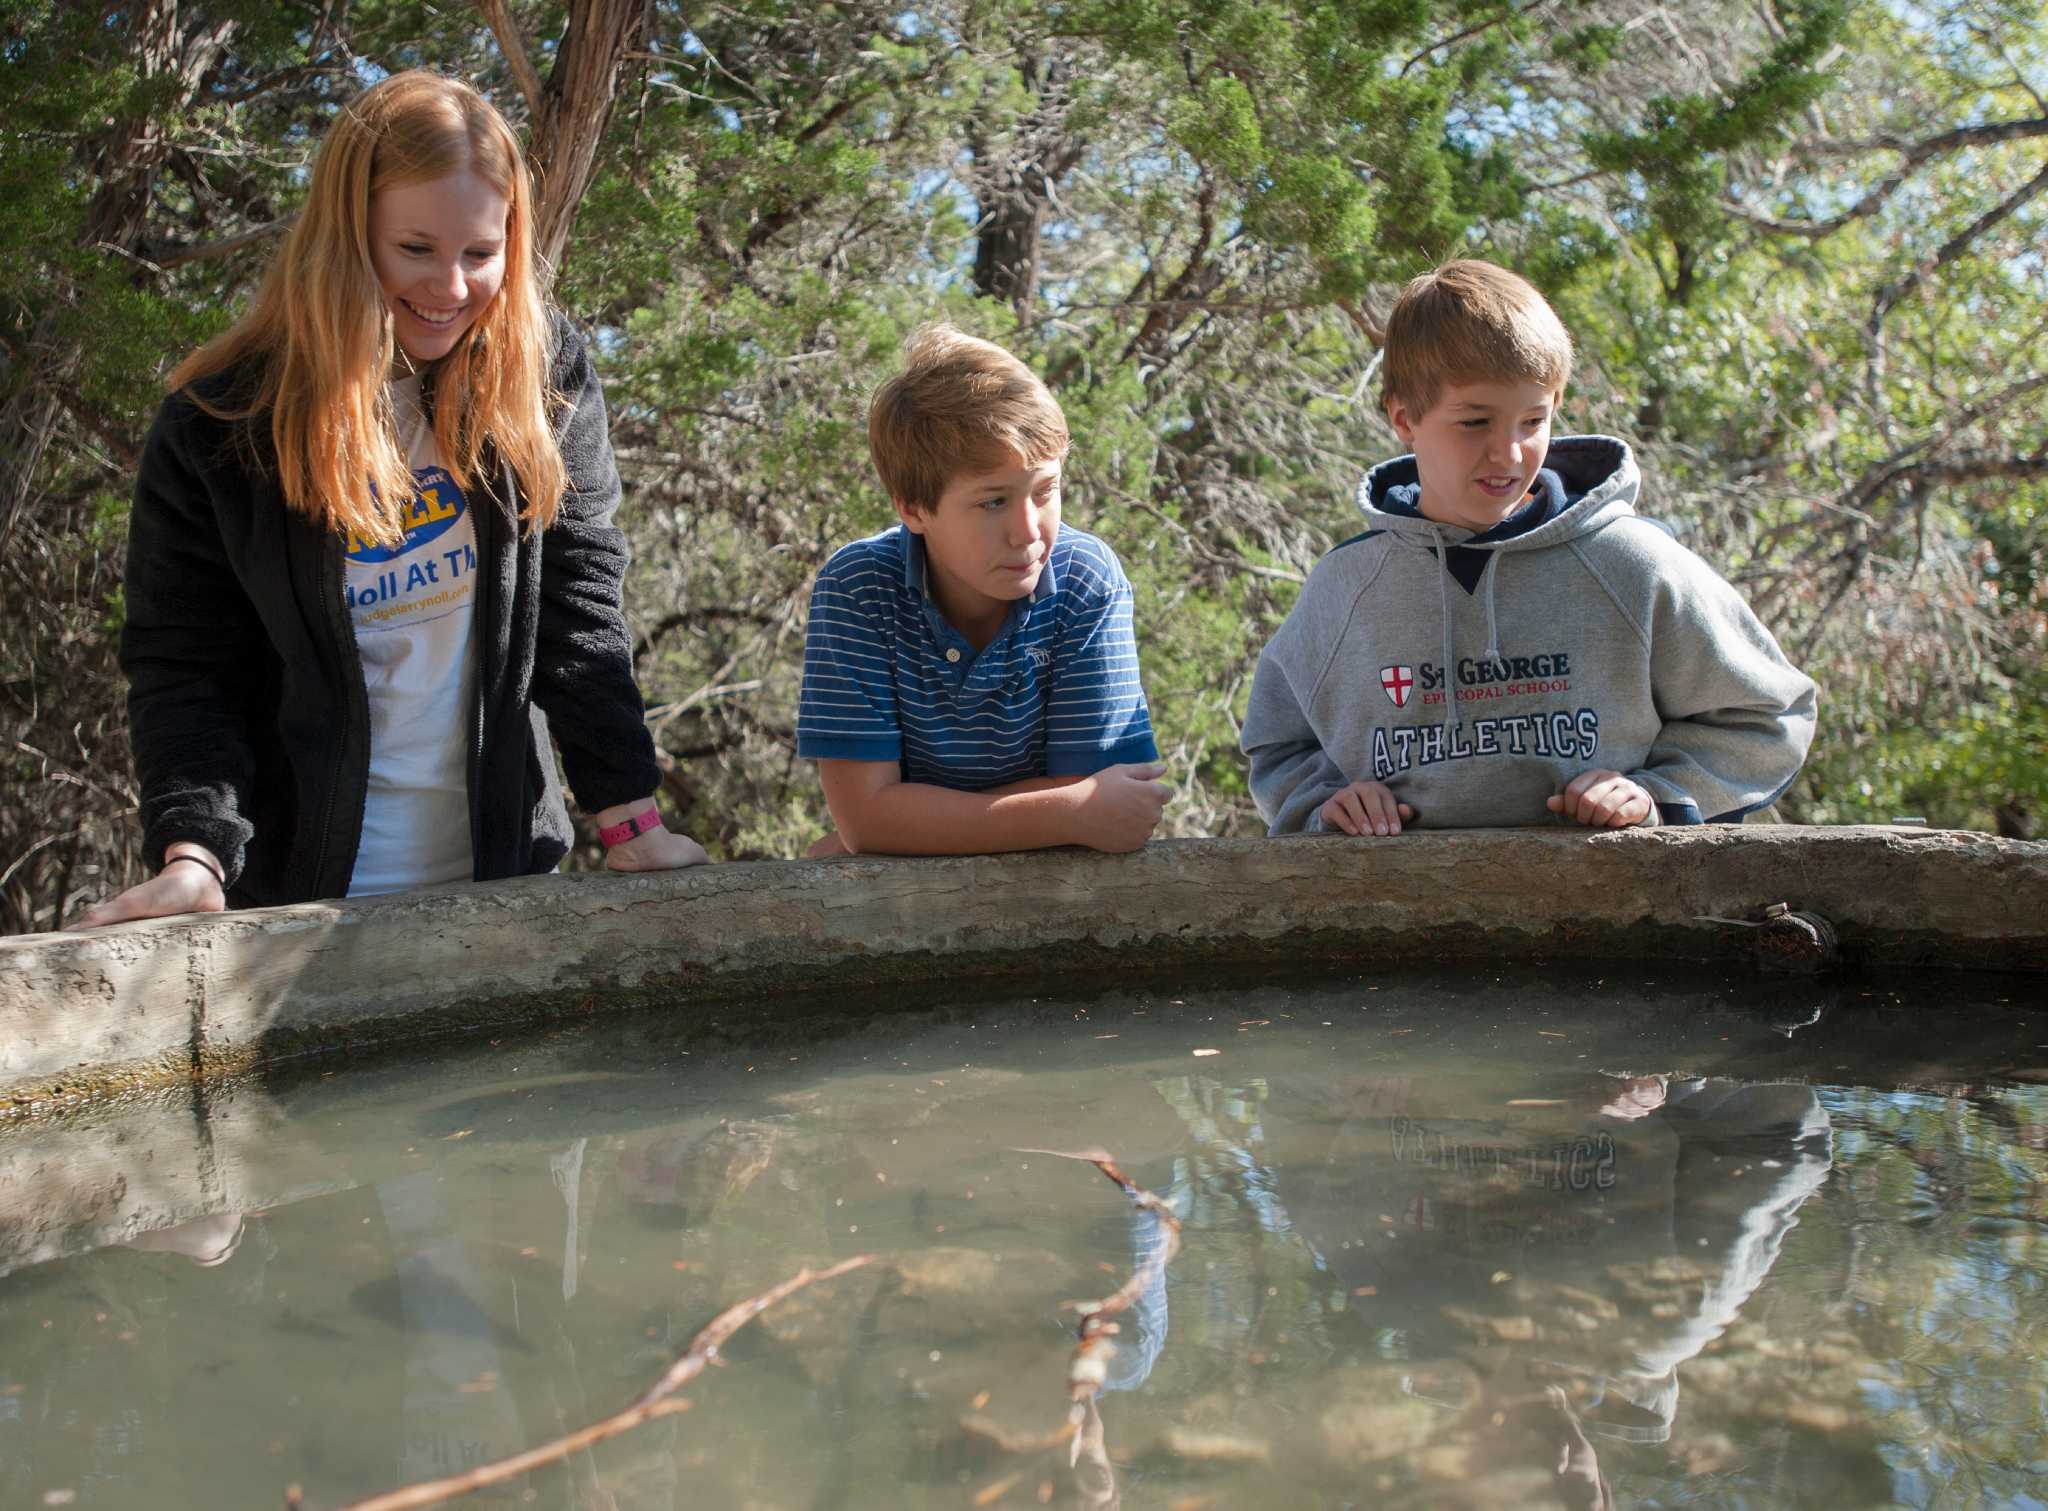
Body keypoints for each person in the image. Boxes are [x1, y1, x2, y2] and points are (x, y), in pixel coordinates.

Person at [69, 71, 704, 929]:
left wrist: (629, 816)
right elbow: (185, 665)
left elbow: (580, 605)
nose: (450, 287)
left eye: (480, 254)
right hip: (296, 909)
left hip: (508, 885)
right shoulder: (219, 420)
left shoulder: (542, 373)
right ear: (347, 229)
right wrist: (196, 850)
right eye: (416, 249)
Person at [1240, 259, 1817, 837]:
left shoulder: (1633, 565)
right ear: (1404, 418)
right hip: (1398, 917)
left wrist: (1655, 797)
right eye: (1475, 422)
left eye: (1532, 420)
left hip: (1614, 914)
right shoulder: (1345, 586)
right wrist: (1326, 803)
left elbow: (1767, 716)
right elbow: (1278, 745)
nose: (1509, 453)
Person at [794, 324, 1168, 856]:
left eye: (1045, 491)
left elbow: (1115, 810)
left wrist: (902, 822)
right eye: (993, 502)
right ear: (913, 508)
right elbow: (868, 823)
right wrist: (1067, 811)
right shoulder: (857, 589)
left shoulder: (1086, 579)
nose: (1029, 530)